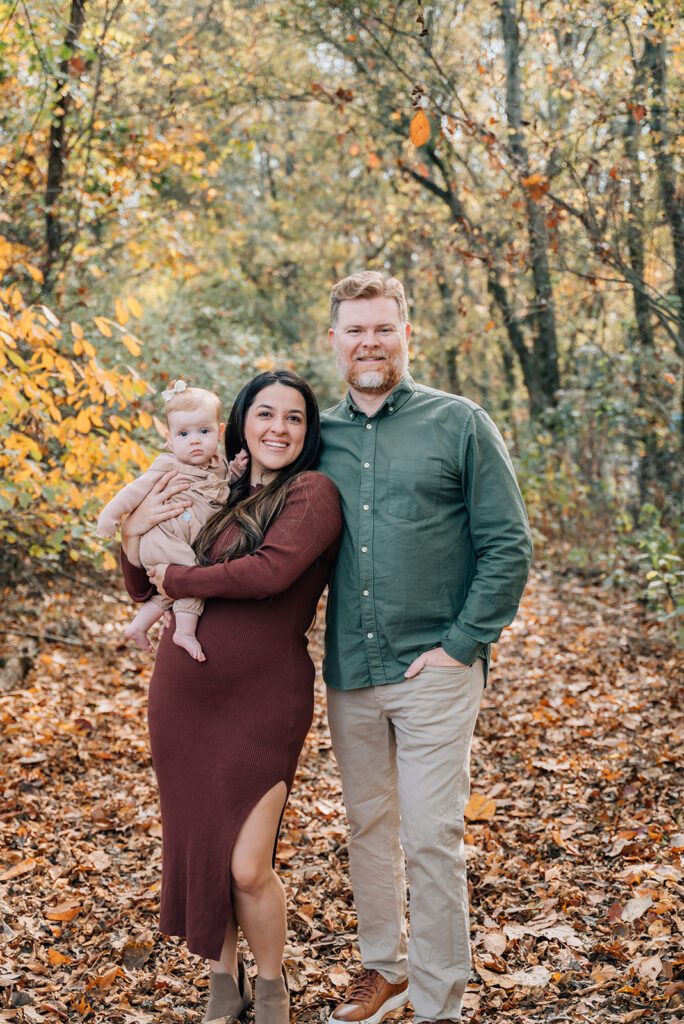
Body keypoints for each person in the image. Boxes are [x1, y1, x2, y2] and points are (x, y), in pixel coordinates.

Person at [317, 271, 534, 1024]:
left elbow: (508, 544)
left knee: (433, 835)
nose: (369, 342)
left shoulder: (460, 422)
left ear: (408, 333)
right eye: (356, 329)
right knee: (367, 829)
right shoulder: (316, 436)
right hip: (349, 669)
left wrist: (463, 643)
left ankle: (440, 999)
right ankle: (385, 972)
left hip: (434, 668)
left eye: (383, 327)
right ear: (334, 341)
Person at [118, 369, 342, 1024]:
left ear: (308, 431)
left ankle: (271, 987)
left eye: (294, 417)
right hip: (183, 694)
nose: (278, 427)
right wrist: (142, 528)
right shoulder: (214, 487)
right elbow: (144, 587)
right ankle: (224, 980)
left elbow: (270, 573)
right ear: (239, 423)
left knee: (247, 864)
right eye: (265, 414)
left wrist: (179, 573)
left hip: (264, 696)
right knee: (200, 846)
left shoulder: (313, 493)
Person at [97, 380, 247, 661]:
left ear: (220, 431)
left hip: (181, 542)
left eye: (204, 431)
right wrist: (111, 516)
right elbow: (133, 492)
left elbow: (226, 492)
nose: (194, 440)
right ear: (169, 440)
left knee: (169, 592)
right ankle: (185, 633)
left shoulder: (220, 466)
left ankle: (139, 626)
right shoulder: (168, 464)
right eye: (183, 433)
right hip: (163, 538)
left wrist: (237, 471)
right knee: (190, 577)